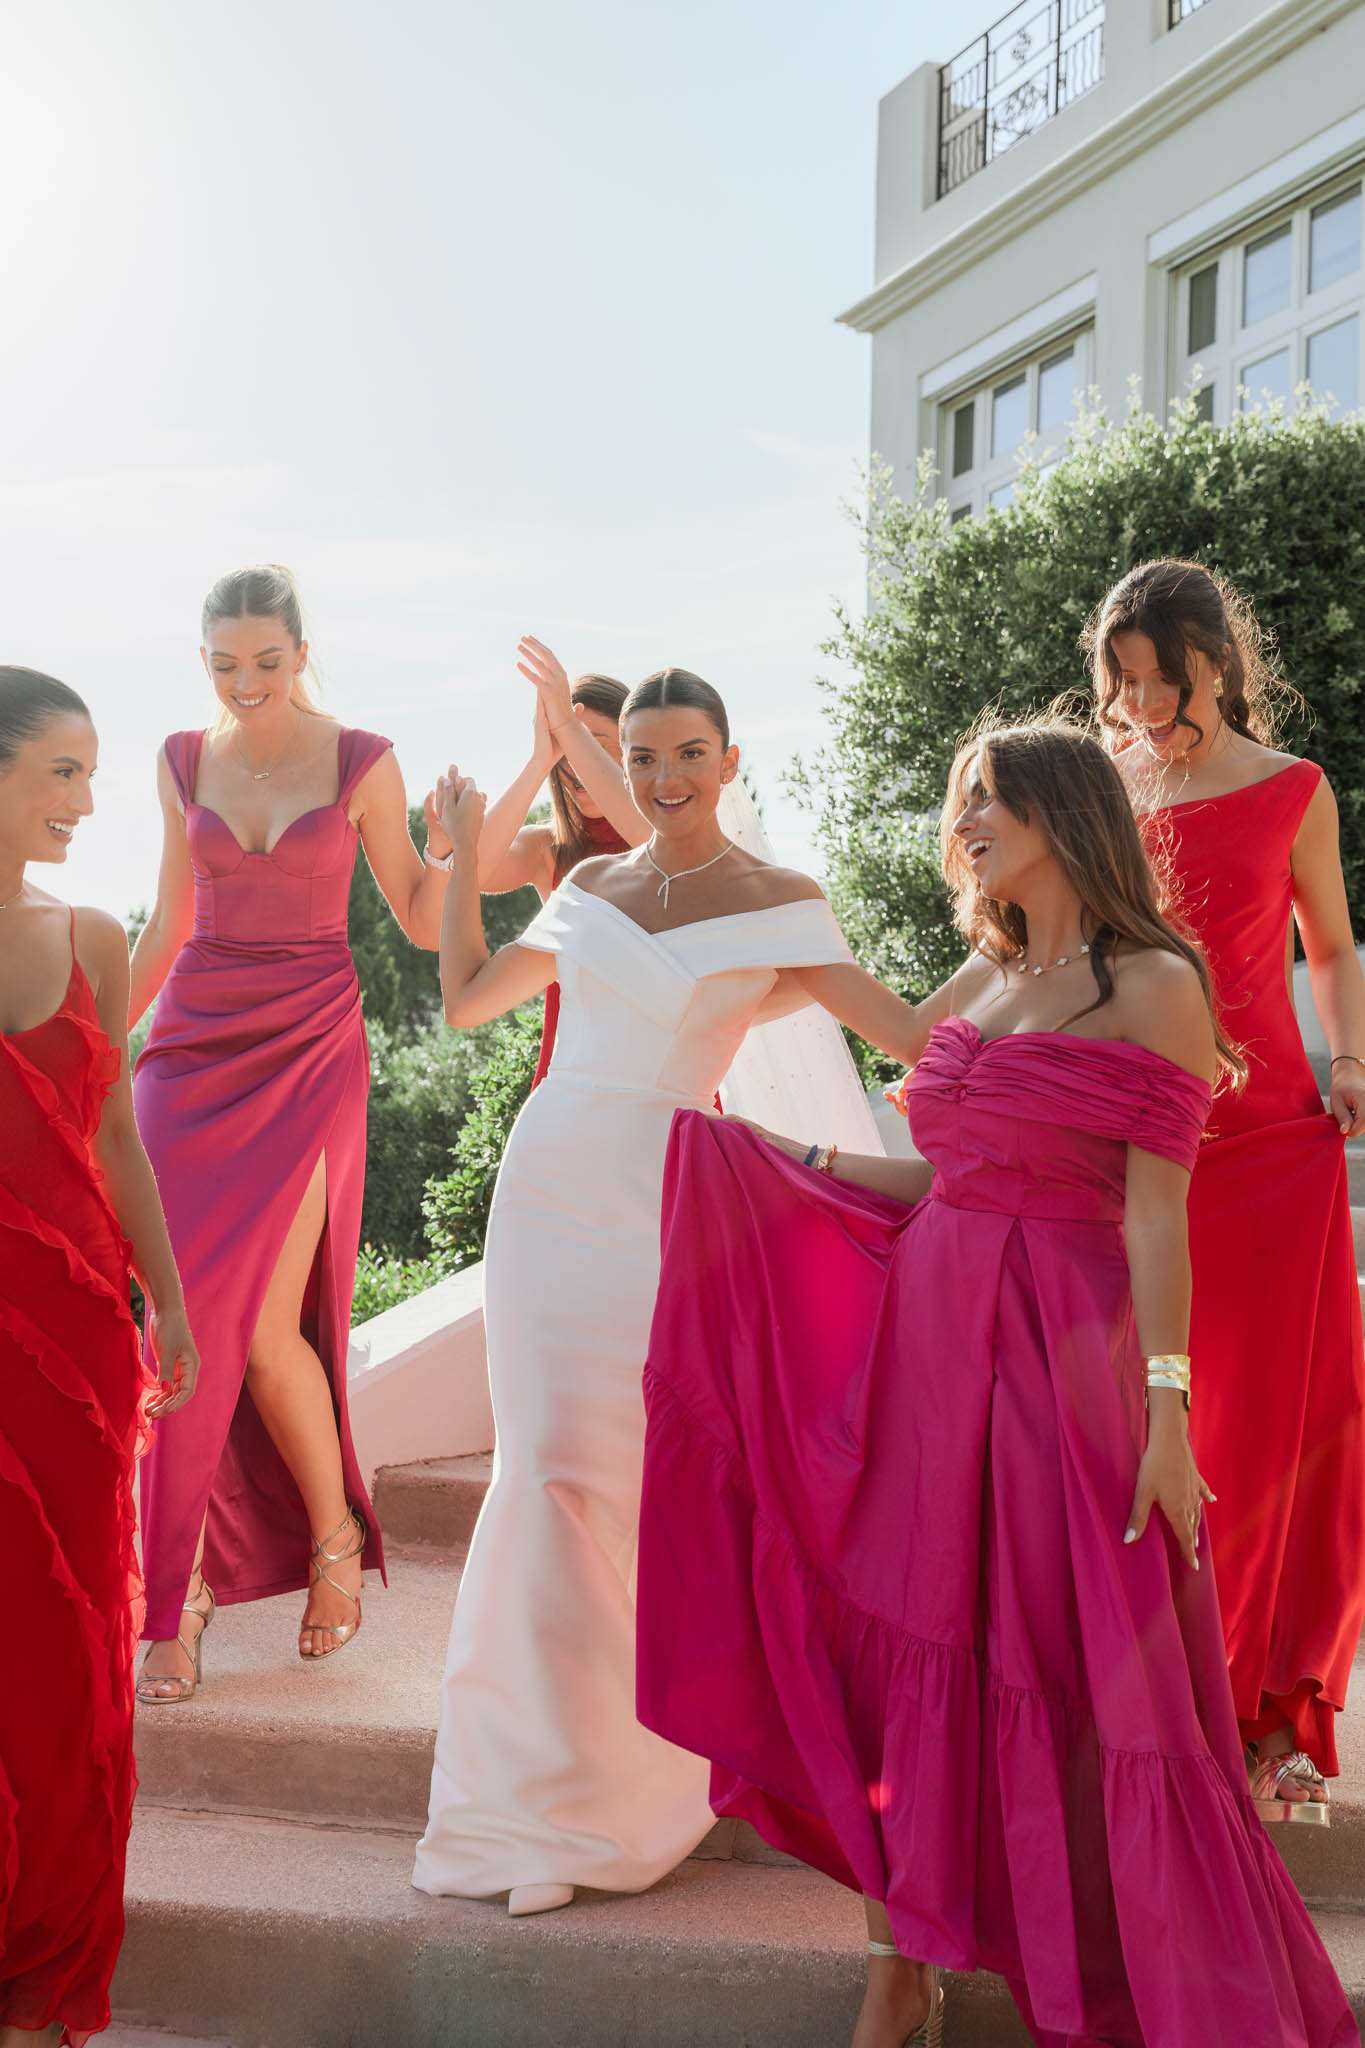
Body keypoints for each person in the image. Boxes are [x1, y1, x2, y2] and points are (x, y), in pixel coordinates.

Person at [635, 714, 1358, 2048]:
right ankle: (899, 1961)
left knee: (1069, 1666)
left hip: (1057, 1362)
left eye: (988, 800)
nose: (963, 823)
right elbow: (952, 1173)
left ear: (1062, 812)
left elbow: (1157, 1218)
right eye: (960, 799)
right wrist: (787, 1159)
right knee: (897, 1647)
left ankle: (1126, 1974)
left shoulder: (1156, 982)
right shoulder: (991, 967)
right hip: (929, 1352)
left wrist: (1166, 1415)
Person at [413, 666, 900, 1918]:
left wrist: (1056, 1011)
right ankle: (522, 1802)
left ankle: (642, 1773)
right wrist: (459, 857)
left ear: (730, 762)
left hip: (665, 1199)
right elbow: (466, 1001)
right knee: (541, 1473)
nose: (665, 777)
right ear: (615, 767)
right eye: (641, 757)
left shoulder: (783, 901)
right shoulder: (586, 889)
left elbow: (909, 1033)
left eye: (688, 753)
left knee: (636, 1477)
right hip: (548, 1189)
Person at [131, 565, 452, 1699]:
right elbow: (167, 925)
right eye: (226, 663)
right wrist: (87, 1047)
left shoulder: (363, 759)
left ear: (302, 653)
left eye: (267, 660)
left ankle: (333, 1541)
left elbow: (419, 919)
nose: (246, 682)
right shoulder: (181, 760)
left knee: (268, 1328)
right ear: (203, 660)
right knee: (176, 1327)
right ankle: (175, 1599)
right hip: (189, 1053)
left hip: (310, 1048)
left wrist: (452, 847)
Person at [1087, 557, 1365, 1821]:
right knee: (1147, 1418)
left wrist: (1347, 1063)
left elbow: (1330, 944)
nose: (1144, 706)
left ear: (1218, 664)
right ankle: (1144, 1693)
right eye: (1124, 682)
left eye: (1164, 679)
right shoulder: (1105, 786)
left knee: (1265, 1427)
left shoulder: (1295, 788)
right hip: (1137, 1134)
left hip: (1267, 1145)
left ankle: (1248, 1701)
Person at [0, 668, 200, 2045]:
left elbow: (115, 1134)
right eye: (61, 771)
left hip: (73, 1334)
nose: (84, 800)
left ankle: (37, 1975)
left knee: (65, 1655)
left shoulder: (92, 933)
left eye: (91, 773)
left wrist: (168, 1301)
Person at [474, 641, 645, 1087]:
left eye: (591, 746)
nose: (574, 765)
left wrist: (567, 726)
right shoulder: (547, 848)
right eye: (564, 750)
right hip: (569, 1080)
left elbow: (647, 833)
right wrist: (538, 762)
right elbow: (469, 874)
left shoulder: (663, 839)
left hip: (658, 1076)